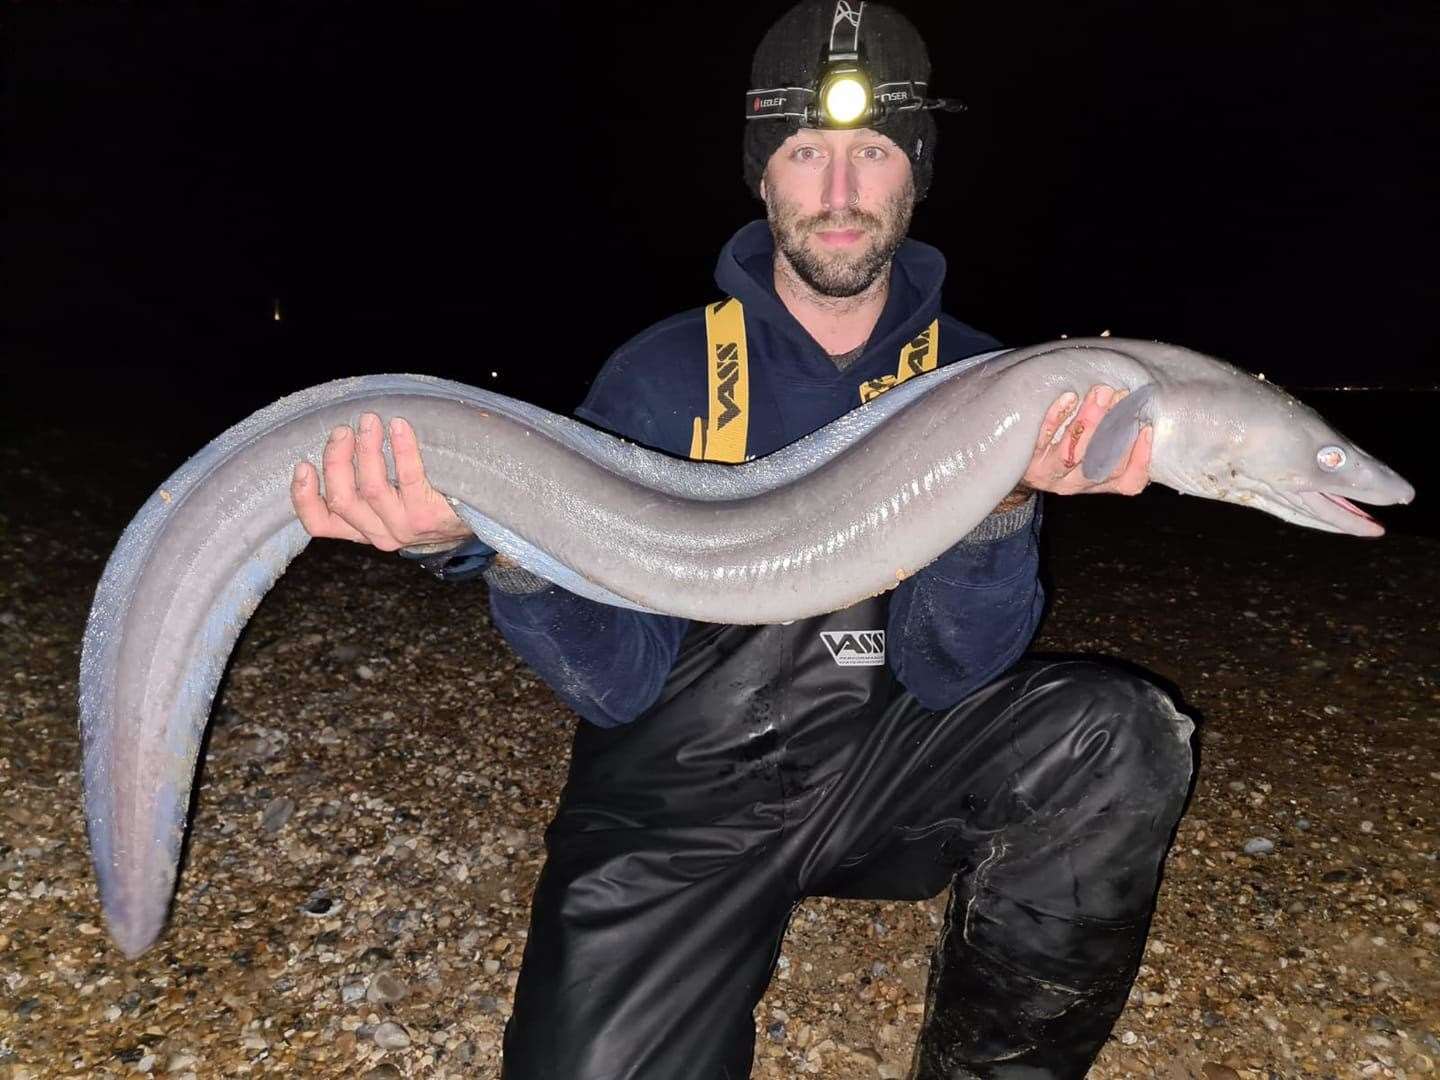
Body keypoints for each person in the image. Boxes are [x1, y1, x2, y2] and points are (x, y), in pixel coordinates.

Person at [291, 4, 1192, 1077]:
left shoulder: (989, 384)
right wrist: (500, 544)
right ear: (764, 177)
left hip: (889, 762)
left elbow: (955, 670)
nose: (843, 193)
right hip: (683, 793)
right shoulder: (660, 377)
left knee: (1119, 732)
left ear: (918, 172)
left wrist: (1000, 506)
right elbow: (617, 688)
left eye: (874, 153)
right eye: (808, 154)